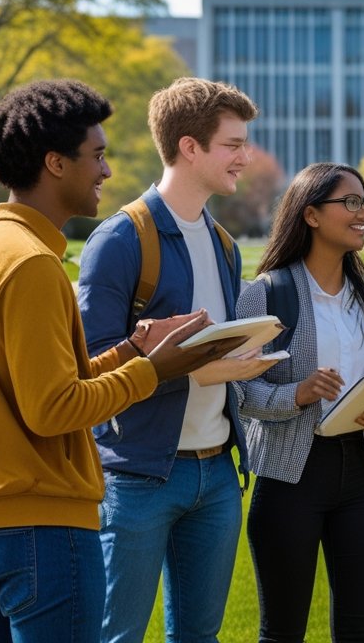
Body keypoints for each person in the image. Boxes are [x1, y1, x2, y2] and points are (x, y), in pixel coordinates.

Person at [0, 79, 238, 642]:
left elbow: (42, 384)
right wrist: (155, 370)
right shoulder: (31, 265)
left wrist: (132, 349)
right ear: (55, 164)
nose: (106, 172)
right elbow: (54, 409)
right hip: (38, 524)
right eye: (96, 156)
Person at [78, 77, 269, 642]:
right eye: (233, 145)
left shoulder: (225, 245)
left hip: (216, 473)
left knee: (199, 637)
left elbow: (211, 347)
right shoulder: (119, 241)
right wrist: (206, 370)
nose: (246, 156)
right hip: (136, 476)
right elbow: (91, 368)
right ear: (190, 147)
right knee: (117, 636)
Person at [234, 162, 364, 642]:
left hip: (363, 475)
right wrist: (298, 392)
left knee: (359, 630)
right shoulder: (266, 294)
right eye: (349, 202)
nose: (362, 213)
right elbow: (241, 392)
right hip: (290, 477)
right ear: (310, 215)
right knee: (282, 631)